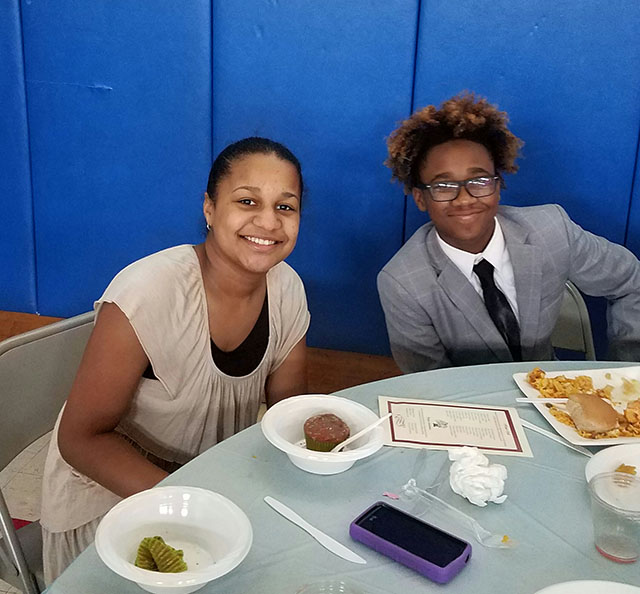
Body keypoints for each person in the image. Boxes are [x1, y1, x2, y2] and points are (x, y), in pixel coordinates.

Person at [40, 137, 310, 583]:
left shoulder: (287, 288)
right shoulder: (149, 291)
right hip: (115, 500)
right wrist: (195, 504)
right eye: (247, 201)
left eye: (286, 207)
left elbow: (289, 412)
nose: (268, 221)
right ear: (209, 209)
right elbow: (81, 439)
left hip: (210, 485)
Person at [377, 93, 640, 373]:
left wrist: (629, 374)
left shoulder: (551, 230)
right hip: (468, 407)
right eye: (443, 187)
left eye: (479, 181)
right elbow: (428, 386)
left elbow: (631, 280)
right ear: (420, 198)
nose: (464, 199)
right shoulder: (403, 283)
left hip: (551, 392)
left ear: (498, 184)